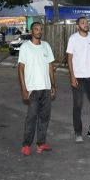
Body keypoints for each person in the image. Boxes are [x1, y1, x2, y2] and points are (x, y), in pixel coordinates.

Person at [17, 22, 56, 156]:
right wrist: (24, 89)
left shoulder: (46, 46)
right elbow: (20, 69)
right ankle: (26, 145)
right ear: (31, 31)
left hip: (46, 88)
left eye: (40, 29)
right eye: (36, 29)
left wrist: (53, 85)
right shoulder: (25, 47)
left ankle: (41, 143)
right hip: (32, 89)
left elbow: (50, 66)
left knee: (44, 117)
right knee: (31, 118)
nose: (39, 31)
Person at [67, 16, 90, 141]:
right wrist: (72, 76)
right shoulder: (73, 38)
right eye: (83, 23)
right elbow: (69, 58)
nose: (86, 24)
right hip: (78, 77)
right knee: (78, 105)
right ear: (78, 26)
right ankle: (78, 132)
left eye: (87, 22)